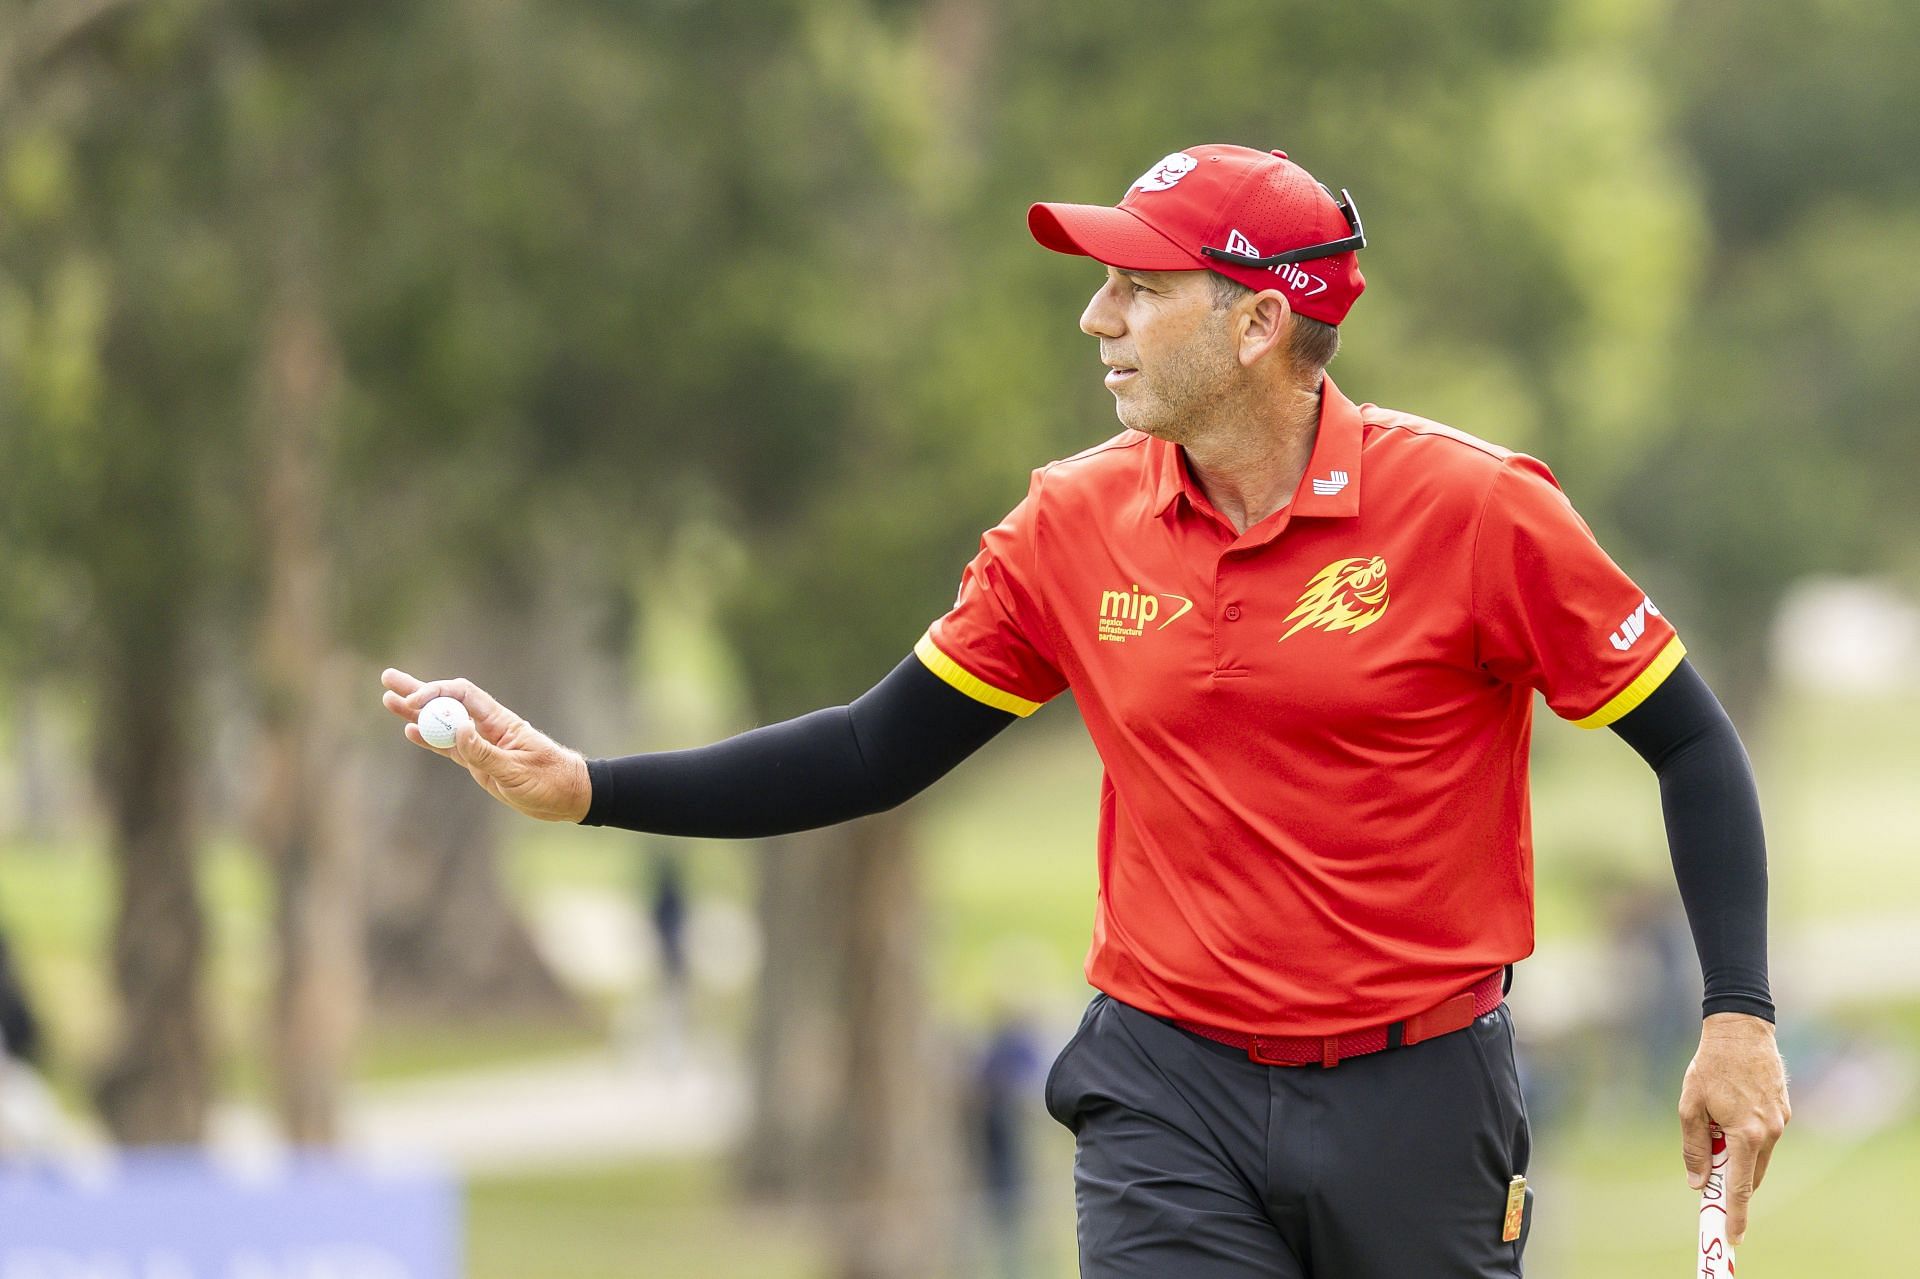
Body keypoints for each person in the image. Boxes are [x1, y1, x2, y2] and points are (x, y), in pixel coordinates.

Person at [380, 143, 1788, 1276]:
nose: (1095, 317)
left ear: (1256, 322)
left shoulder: (1477, 511)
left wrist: (1737, 1017)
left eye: (1138, 286)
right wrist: (591, 787)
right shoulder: (1074, 520)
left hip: (1420, 1098)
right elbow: (879, 748)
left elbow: (1690, 743)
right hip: (1165, 1088)